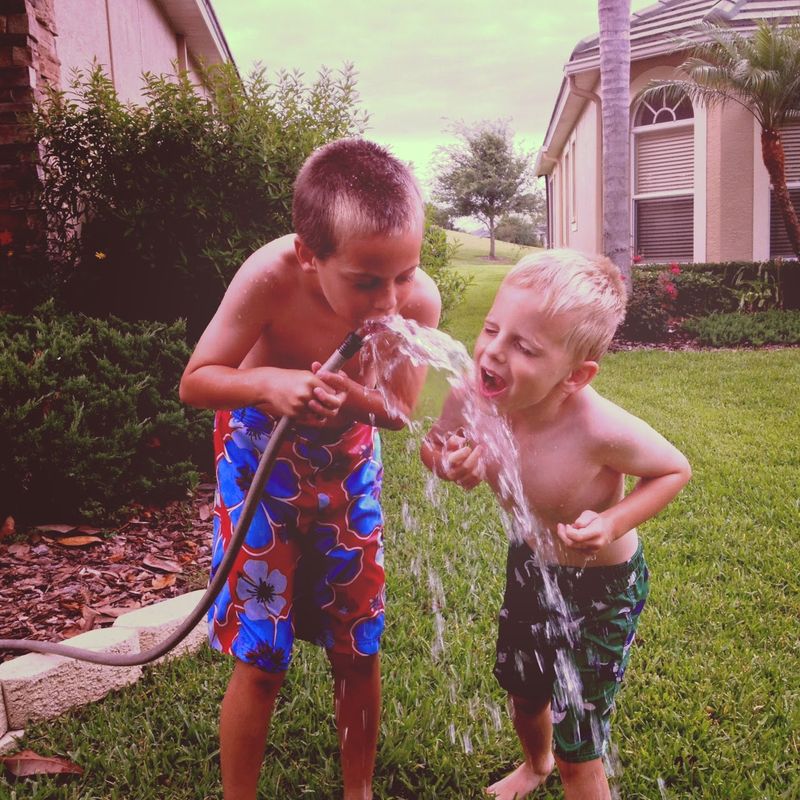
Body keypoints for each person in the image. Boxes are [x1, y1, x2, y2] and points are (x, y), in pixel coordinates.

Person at [180, 138, 441, 800]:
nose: (390, 301)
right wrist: (267, 382)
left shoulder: (415, 302)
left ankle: (360, 793)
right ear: (308, 254)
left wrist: (353, 397)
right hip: (259, 463)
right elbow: (196, 381)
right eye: (366, 281)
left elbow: (400, 411)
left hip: (347, 466)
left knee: (358, 649)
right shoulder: (270, 278)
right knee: (262, 660)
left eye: (404, 273)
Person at [420, 249, 691, 800]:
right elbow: (434, 444)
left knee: (580, 744)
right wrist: (445, 460)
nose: (493, 352)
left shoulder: (598, 427)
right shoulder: (472, 396)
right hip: (531, 565)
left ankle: (564, 767)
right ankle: (534, 764)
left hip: (602, 589)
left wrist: (613, 522)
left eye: (523, 346)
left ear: (575, 375)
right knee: (525, 693)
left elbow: (673, 470)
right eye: (493, 329)